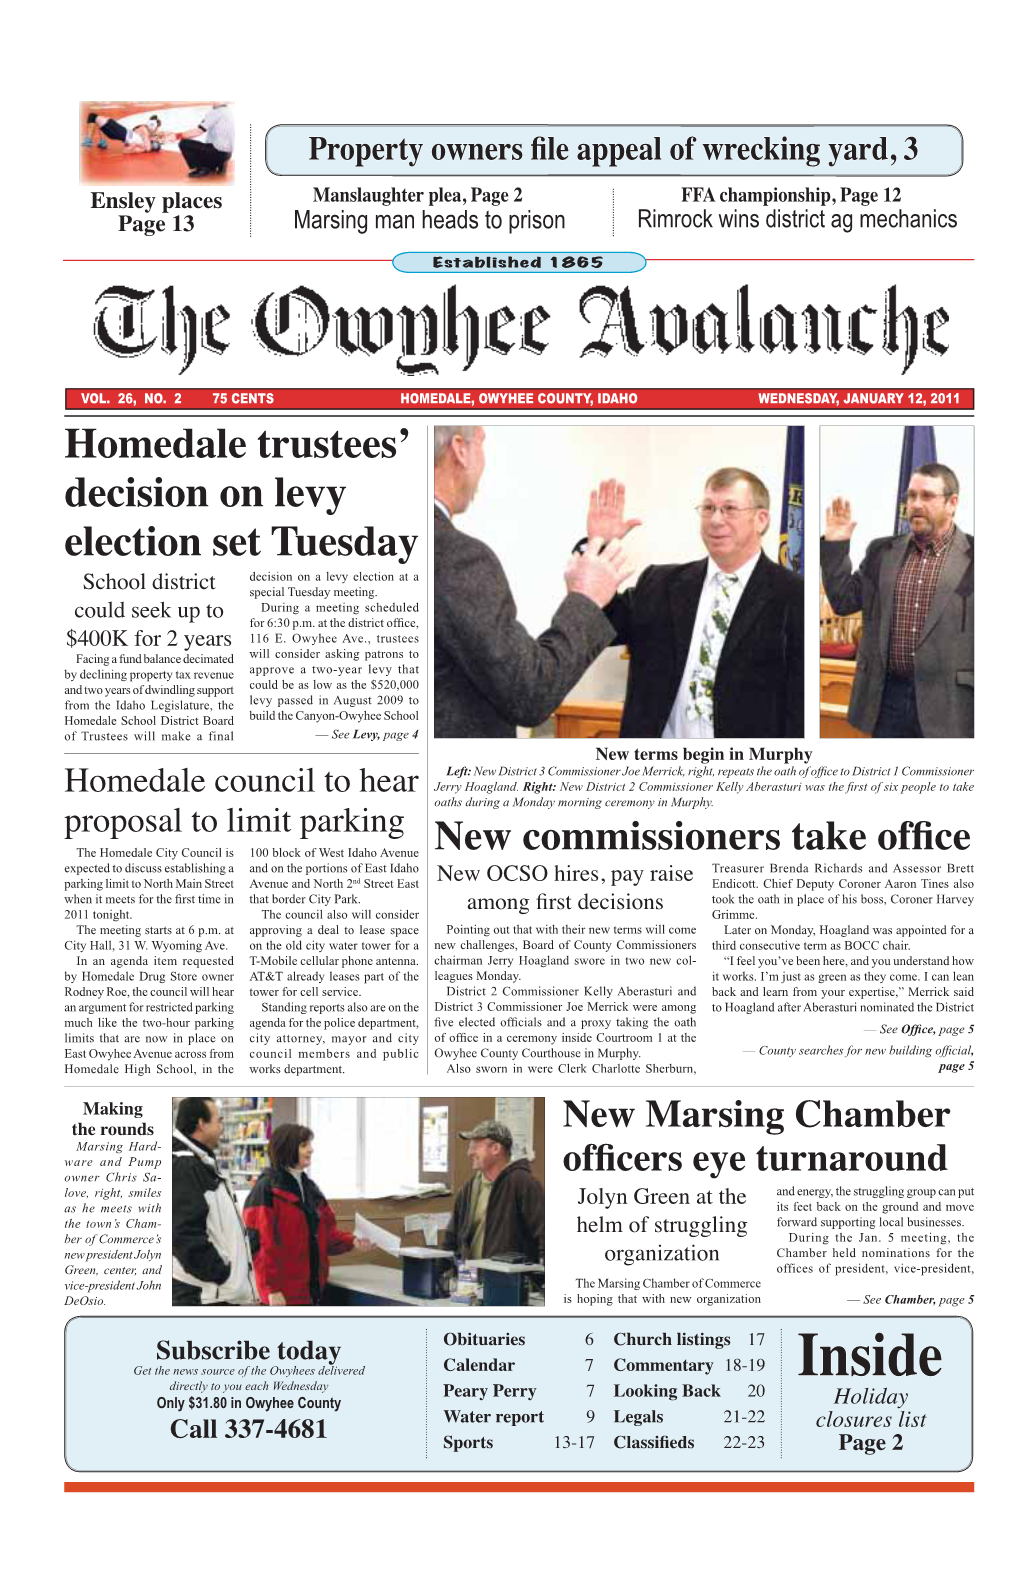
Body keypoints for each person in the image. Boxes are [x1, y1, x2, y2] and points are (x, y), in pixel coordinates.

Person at [433, 426, 634, 737]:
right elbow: (530, 692)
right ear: (460, 449)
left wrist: (596, 549)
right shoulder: (457, 555)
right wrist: (585, 598)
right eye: (483, 442)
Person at [598, 467, 804, 738]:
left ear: (761, 519)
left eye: (729, 509)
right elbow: (598, 626)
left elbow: (797, 708)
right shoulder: (659, 584)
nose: (716, 520)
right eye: (708, 508)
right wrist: (597, 546)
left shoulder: (792, 595)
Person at [820, 464, 973, 738]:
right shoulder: (882, 551)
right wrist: (835, 545)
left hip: (952, 705)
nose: (915, 504)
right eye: (911, 496)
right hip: (887, 698)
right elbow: (843, 601)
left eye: (926, 496)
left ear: (952, 503)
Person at [243, 1124, 370, 1306]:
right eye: (304, 1145)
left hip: (310, 1293)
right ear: (287, 1148)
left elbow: (326, 1235)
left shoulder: (311, 1189)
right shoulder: (266, 1190)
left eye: (309, 1144)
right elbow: (259, 1246)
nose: (311, 1149)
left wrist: (352, 1241)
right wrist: (270, 1289)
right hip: (282, 1297)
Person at [172, 1099, 255, 1306]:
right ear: (201, 1124)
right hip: (204, 1296)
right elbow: (183, 1233)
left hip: (214, 1293)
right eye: (218, 1121)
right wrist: (220, 1273)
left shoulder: (200, 1162)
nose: (221, 1127)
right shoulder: (184, 1166)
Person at [443, 1121, 544, 1264]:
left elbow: (545, 1234)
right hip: (470, 1281)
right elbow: (451, 1239)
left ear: (496, 1148)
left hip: (509, 1282)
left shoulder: (523, 1184)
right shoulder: (469, 1189)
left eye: (476, 1146)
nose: (469, 1152)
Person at [170, 104, 234, 178]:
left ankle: (202, 168)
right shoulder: (227, 110)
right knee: (210, 143)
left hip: (218, 153)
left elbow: (198, 131)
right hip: (227, 154)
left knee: (184, 143)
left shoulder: (216, 111)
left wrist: (176, 136)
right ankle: (218, 164)